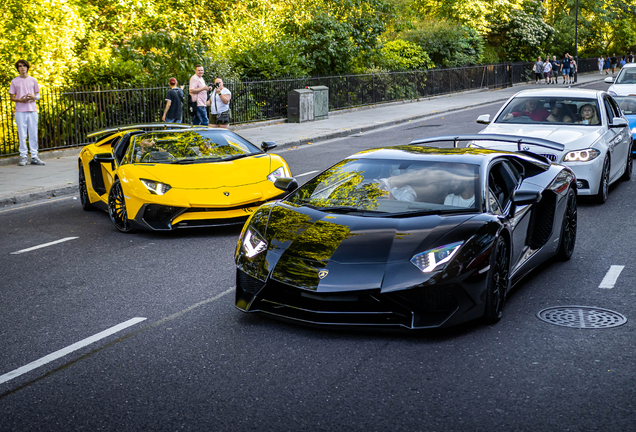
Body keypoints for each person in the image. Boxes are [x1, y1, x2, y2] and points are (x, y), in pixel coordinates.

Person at [9, 59, 45, 166]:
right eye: (20, 66)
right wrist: (21, 100)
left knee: (33, 133)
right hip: (20, 111)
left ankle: (34, 156)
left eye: (24, 66)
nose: (22, 68)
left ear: (27, 67)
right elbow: (12, 98)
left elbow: (38, 96)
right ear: (18, 69)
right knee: (22, 134)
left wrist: (34, 97)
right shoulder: (14, 81)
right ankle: (23, 156)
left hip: (32, 110)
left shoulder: (33, 80)